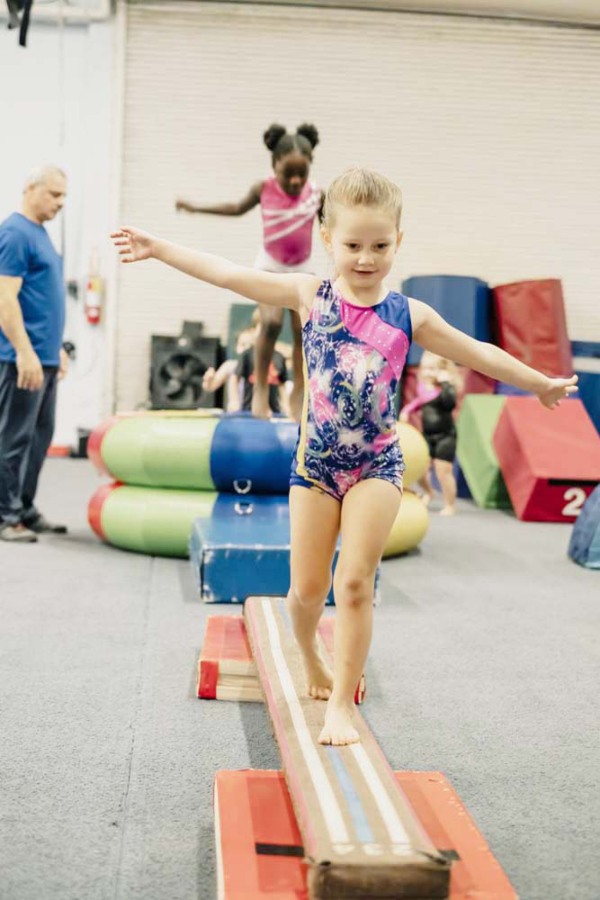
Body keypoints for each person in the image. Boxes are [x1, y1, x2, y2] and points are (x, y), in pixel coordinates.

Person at [111, 167, 578, 746]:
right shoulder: (310, 293)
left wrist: (537, 383)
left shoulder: (410, 315)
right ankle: (309, 652)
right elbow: (231, 275)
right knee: (306, 591)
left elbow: (478, 350)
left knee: (354, 583)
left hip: (376, 467)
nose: (366, 258)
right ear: (328, 238)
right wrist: (159, 249)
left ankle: (341, 704)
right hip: (315, 468)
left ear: (398, 242)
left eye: (380, 245)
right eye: (353, 244)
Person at [176, 123, 324, 421]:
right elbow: (235, 207)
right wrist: (196, 208)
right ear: (274, 166)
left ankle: (298, 393)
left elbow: (334, 225)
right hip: (269, 264)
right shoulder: (264, 189)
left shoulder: (317, 194)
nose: (295, 181)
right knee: (269, 323)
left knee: (301, 331)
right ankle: (258, 391)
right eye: (288, 174)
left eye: (302, 175)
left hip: (302, 269)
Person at [0, 165, 70, 543]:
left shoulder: (40, 235)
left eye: (64, 197)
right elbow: (4, 298)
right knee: (12, 439)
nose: (60, 203)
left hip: (44, 358)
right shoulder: (14, 233)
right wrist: (25, 352)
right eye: (54, 194)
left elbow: (41, 300)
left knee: (38, 439)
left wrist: (56, 349)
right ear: (30, 188)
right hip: (19, 359)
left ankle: (23, 508)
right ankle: (4, 515)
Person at [400, 351, 461, 515]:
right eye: (425, 368)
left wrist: (447, 384)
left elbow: (449, 405)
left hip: (446, 436)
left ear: (443, 370)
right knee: (421, 469)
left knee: (443, 471)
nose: (427, 373)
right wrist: (407, 410)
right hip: (427, 435)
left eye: (432, 369)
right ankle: (429, 492)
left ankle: (450, 504)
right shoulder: (423, 386)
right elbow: (420, 401)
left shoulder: (446, 389)